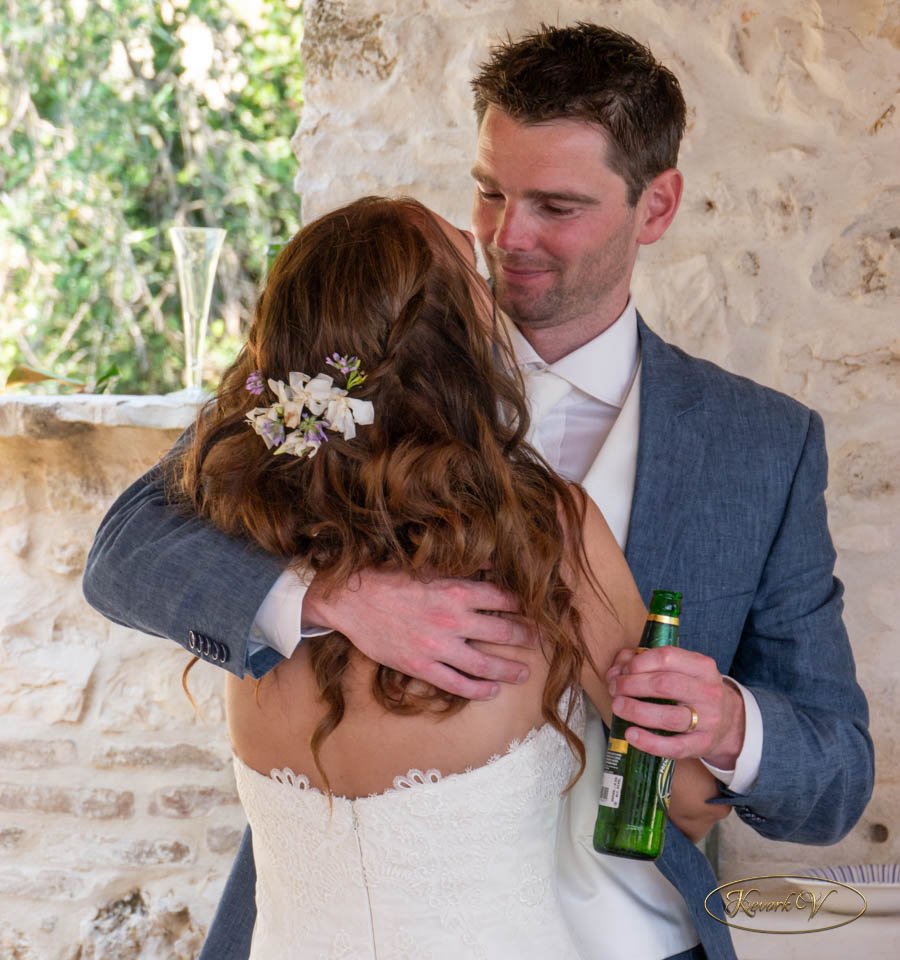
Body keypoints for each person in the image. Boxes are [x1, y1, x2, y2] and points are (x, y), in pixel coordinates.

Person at [84, 23, 873, 960]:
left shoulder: (762, 445)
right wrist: (329, 598)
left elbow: (835, 776)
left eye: (557, 205)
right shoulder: (340, 385)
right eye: (491, 193)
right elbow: (124, 550)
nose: (508, 237)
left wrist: (731, 723)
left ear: (656, 206)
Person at [164, 194, 725, 957]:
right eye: (477, 278)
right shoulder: (549, 533)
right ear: (456, 348)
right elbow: (684, 800)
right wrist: (706, 716)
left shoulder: (237, 525)